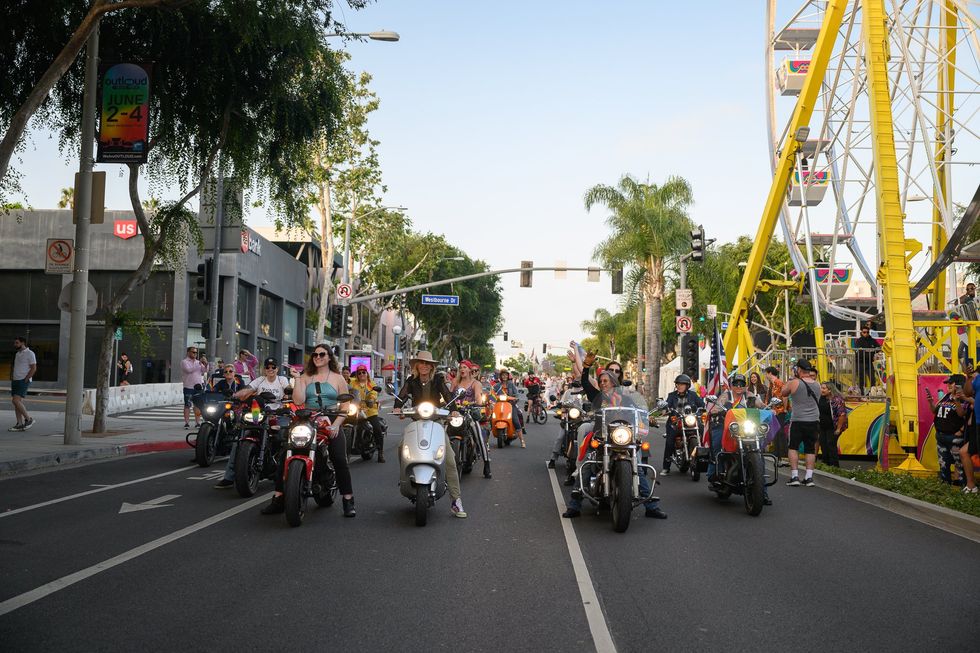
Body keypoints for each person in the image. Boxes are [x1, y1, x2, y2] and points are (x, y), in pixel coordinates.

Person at [260, 344, 356, 517]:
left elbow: (346, 405)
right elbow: (298, 400)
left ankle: (348, 500)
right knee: (285, 453)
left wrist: (336, 424)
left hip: (331, 417)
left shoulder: (338, 378)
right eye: (315, 354)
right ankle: (279, 497)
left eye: (322, 354)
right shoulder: (305, 376)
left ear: (329, 357)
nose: (318, 357)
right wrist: (297, 379)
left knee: (339, 458)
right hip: (307, 418)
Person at [563, 367, 666, 519]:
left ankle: (651, 506)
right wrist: (586, 368)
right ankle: (574, 505)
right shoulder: (597, 397)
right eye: (601, 381)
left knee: (638, 467)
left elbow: (638, 412)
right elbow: (585, 382)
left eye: (606, 381)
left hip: (623, 436)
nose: (603, 383)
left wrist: (647, 418)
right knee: (587, 464)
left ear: (613, 382)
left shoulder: (626, 399)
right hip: (602, 436)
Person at [394, 350, 467, 518]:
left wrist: (454, 411)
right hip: (416, 423)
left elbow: (448, 396)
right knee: (401, 448)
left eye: (428, 364)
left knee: (449, 457)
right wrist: (398, 407)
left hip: (436, 422)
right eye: (422, 362)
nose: (425, 366)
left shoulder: (438, 380)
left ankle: (456, 500)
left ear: (432, 367)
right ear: (417, 365)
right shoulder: (411, 381)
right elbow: (402, 396)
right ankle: (405, 478)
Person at [214, 358, 290, 489]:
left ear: (277, 369)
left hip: (278, 413)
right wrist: (234, 396)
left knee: (284, 438)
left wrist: (290, 392)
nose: (270, 369)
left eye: (273, 367)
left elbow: (288, 389)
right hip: (258, 414)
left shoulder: (282, 380)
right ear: (264, 369)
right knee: (240, 439)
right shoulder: (260, 380)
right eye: (268, 367)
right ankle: (229, 476)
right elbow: (248, 389)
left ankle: (285, 472)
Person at [717, 372, 773, 505]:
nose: (738, 386)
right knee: (717, 446)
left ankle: (763, 493)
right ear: (731, 385)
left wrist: (769, 409)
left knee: (760, 456)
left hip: (748, 429)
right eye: (735, 384)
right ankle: (716, 475)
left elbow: (761, 405)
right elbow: (717, 405)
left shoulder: (749, 396)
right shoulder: (727, 395)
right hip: (731, 430)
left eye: (741, 384)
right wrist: (718, 409)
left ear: (745, 385)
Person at [781, 359, 821, 486]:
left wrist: (791, 380)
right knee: (810, 449)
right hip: (814, 420)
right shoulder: (817, 384)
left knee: (793, 447)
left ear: (798, 370)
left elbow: (783, 392)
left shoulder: (794, 382)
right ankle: (809, 478)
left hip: (798, 420)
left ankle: (795, 476)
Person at [926, 374, 969, 486]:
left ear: (959, 384)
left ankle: (961, 487)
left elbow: (962, 414)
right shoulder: (945, 396)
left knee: (959, 463)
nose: (948, 385)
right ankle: (945, 486)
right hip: (941, 436)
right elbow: (935, 411)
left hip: (954, 437)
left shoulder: (964, 398)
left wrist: (957, 401)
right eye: (947, 383)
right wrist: (930, 401)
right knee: (943, 463)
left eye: (951, 383)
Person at [452, 359, 492, 479]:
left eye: (465, 367)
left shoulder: (476, 383)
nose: (462, 369)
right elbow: (448, 396)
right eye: (461, 368)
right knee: (442, 429)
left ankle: (486, 463)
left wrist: (472, 403)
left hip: (469, 412)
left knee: (479, 435)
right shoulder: (455, 382)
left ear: (470, 370)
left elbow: (479, 400)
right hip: (455, 413)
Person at [661, 373, 705, 475]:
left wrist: (703, 408)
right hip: (676, 422)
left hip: (690, 421)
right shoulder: (671, 396)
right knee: (670, 441)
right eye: (678, 384)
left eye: (682, 384)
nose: (680, 386)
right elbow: (667, 405)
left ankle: (705, 456)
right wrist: (665, 409)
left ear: (687, 386)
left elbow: (701, 405)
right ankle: (666, 467)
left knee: (702, 430)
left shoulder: (693, 395)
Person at [350, 364, 387, 463]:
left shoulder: (371, 384)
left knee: (377, 428)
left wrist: (371, 400)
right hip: (355, 409)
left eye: (363, 372)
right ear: (357, 375)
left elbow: (373, 394)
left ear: (367, 373)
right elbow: (345, 384)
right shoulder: (353, 382)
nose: (361, 374)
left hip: (369, 410)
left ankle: (380, 453)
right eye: (359, 373)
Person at [8, 336, 37, 431]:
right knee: (17, 403)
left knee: (15, 401)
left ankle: (29, 419)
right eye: (15, 343)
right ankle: (19, 423)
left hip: (23, 380)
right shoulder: (18, 354)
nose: (15, 344)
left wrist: (27, 379)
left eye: (17, 343)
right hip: (16, 380)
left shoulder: (30, 353)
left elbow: (33, 368)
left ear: (22, 343)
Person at [493, 369, 527, 447]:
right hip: (499, 406)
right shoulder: (497, 385)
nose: (504, 376)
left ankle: (522, 440)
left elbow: (516, 394)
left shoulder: (511, 384)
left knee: (515, 420)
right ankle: (486, 443)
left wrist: (515, 398)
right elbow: (492, 393)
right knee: (490, 419)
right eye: (503, 375)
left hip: (510, 405)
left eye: (506, 375)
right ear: (500, 376)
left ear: (508, 376)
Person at [818, 381, 848, 467]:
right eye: (821, 388)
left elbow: (842, 415)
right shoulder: (821, 398)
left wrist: (838, 428)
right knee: (823, 445)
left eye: (824, 388)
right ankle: (826, 464)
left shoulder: (837, 400)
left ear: (830, 390)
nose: (821, 390)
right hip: (822, 426)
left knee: (831, 444)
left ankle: (834, 465)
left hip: (833, 427)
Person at [764, 366, 788, 464]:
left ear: (770, 373)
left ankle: (782, 454)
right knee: (776, 432)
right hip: (773, 410)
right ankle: (777, 453)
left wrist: (785, 408)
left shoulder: (778, 382)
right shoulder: (771, 384)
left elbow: (785, 396)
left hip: (779, 410)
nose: (765, 375)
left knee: (780, 432)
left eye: (766, 373)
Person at [180, 346, 208, 429]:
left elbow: (205, 371)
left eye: (196, 352)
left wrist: (205, 364)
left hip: (198, 386)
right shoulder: (184, 362)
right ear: (188, 352)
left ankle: (197, 422)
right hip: (188, 386)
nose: (195, 354)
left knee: (197, 405)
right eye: (193, 352)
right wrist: (199, 364)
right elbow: (188, 370)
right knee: (187, 404)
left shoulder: (198, 362)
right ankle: (187, 423)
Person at [854, 325, 879, 396]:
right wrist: (869, 351)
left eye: (867, 332)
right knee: (861, 379)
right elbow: (858, 350)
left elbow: (878, 347)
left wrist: (874, 351)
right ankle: (861, 394)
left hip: (869, 363)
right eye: (864, 332)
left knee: (872, 379)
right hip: (860, 362)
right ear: (862, 332)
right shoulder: (859, 341)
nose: (866, 334)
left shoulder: (872, 340)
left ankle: (872, 394)